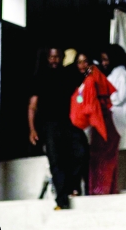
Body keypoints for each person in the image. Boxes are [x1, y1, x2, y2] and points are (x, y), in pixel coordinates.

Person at [28, 46, 87, 209]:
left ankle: (72, 187)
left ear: (61, 57)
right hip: (49, 125)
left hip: (69, 122)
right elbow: (32, 106)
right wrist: (32, 129)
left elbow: (84, 83)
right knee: (56, 161)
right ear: (47, 58)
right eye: (51, 57)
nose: (54, 60)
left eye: (57, 57)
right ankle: (62, 200)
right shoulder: (39, 77)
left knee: (79, 153)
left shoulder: (68, 74)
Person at [71, 50, 118, 195]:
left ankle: (100, 191)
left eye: (85, 61)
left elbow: (91, 105)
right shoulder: (90, 77)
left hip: (100, 120)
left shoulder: (91, 78)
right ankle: (105, 190)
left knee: (100, 158)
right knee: (104, 157)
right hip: (101, 120)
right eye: (79, 62)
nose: (82, 65)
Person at [101, 44, 126, 155]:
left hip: (117, 118)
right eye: (102, 60)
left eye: (106, 60)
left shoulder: (121, 74)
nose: (104, 63)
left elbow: (118, 97)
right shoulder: (114, 74)